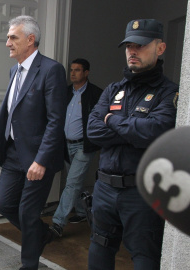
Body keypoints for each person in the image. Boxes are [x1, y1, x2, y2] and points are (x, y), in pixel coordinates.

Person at [87, 19, 178, 269]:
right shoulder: (113, 90)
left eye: (140, 45)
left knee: (144, 256)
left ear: (160, 48)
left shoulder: (169, 93)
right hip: (105, 188)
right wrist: (130, 127)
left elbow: (153, 132)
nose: (132, 51)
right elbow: (93, 130)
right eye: (128, 46)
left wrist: (112, 120)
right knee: (99, 249)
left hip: (142, 193)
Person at [0, 15, 67, 270]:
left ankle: (29, 264)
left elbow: (56, 121)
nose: (7, 43)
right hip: (13, 153)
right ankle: (42, 235)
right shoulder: (15, 70)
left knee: (28, 212)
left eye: (13, 37)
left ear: (30, 39)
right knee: (1, 204)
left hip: (37, 158)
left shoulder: (51, 70)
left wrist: (42, 160)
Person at [50, 58, 103, 237]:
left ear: (86, 73)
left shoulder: (96, 94)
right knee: (75, 181)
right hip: (66, 145)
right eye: (71, 70)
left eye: (77, 70)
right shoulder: (65, 92)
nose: (73, 73)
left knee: (72, 183)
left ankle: (58, 223)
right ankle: (82, 212)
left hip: (84, 146)